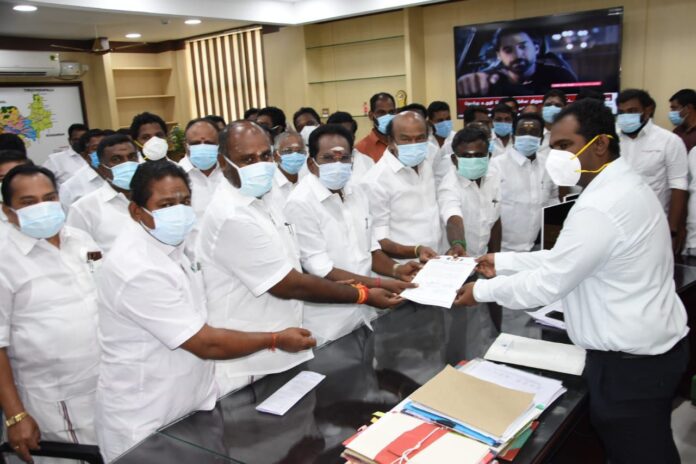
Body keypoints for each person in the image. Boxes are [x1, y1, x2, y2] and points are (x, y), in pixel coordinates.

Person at [456, 98, 689, 464]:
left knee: (641, 452)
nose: (556, 156)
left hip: (631, 365)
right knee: (645, 446)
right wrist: (501, 262)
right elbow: (569, 258)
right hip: (646, 353)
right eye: (554, 147)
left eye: (565, 145)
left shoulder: (602, 204)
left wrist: (480, 291)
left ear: (600, 144)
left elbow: (549, 283)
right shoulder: (619, 187)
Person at [96, 160, 315, 462]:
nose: (179, 211)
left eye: (184, 201)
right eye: (166, 204)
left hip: (189, 405)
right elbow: (205, 343)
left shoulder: (173, 246)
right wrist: (276, 339)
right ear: (136, 211)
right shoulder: (136, 268)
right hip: (146, 417)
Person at [196, 121, 402, 396]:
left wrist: (356, 285)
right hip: (250, 360)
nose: (260, 165)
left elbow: (294, 262)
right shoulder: (231, 215)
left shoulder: (265, 197)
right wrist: (363, 294)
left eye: (265, 156)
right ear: (223, 162)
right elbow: (288, 284)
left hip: (286, 342)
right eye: (247, 159)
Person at [0, 164, 100, 464]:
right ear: (8, 212)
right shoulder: (5, 257)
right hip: (56, 399)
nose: (42, 207)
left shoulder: (80, 240)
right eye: (28, 202)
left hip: (107, 387)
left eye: (49, 198)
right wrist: (15, 416)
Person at [284, 124, 419, 341]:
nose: (337, 165)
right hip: (329, 322)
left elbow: (370, 250)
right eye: (328, 158)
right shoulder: (300, 203)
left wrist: (396, 269)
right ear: (311, 163)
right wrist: (379, 284)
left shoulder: (357, 192)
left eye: (344, 158)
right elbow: (322, 270)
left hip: (365, 313)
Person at [360, 111, 451, 261]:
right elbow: (379, 239)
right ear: (391, 141)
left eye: (420, 138)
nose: (414, 145)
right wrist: (416, 251)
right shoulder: (376, 180)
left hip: (436, 259)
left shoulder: (427, 163)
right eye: (406, 139)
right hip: (405, 266)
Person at [617, 89, 688, 253]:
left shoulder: (669, 141)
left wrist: (673, 230)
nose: (626, 117)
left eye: (632, 111)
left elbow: (678, 186)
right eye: (622, 112)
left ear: (647, 110)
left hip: (654, 227)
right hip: (619, 226)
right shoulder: (612, 141)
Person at [489, 112, 558, 252]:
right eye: (522, 132)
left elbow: (553, 200)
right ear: (513, 137)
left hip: (535, 249)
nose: (527, 136)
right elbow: (487, 211)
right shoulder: (496, 166)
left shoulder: (548, 165)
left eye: (533, 133)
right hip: (501, 250)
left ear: (541, 139)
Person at [66, 134, 138, 253]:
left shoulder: (154, 198)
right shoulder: (84, 209)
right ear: (102, 168)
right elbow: (76, 254)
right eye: (116, 159)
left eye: (132, 157)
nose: (127, 164)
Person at [457, 28, 577, 97]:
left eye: (522, 47)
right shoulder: (490, 81)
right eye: (508, 50)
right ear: (499, 55)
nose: (517, 55)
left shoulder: (561, 76)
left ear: (536, 49)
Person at [437, 127, 501, 257]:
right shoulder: (449, 185)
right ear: (454, 159)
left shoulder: (493, 177)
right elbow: (452, 218)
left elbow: (495, 220)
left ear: (488, 157)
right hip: (457, 259)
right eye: (466, 156)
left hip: (483, 258)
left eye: (479, 155)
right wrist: (458, 244)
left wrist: (494, 257)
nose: (473, 160)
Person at [178, 118, 224, 253]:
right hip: (194, 259)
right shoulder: (174, 178)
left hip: (234, 256)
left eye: (209, 143)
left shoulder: (231, 174)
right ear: (186, 146)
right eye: (196, 143)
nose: (202, 147)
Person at [58, 129, 108, 208]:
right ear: (84, 156)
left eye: (105, 147)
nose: (103, 152)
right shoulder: (70, 187)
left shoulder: (120, 176)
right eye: (96, 149)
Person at [326, 111, 375, 182]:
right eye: (336, 134)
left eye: (346, 134)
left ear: (353, 137)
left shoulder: (367, 163)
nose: (340, 139)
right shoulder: (318, 162)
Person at [267, 131, 306, 213]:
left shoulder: (307, 181)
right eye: (288, 151)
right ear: (275, 156)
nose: (295, 156)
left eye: (300, 151)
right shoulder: (267, 186)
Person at [355, 92, 397, 162]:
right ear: (371, 115)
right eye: (381, 112)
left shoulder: (404, 142)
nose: (387, 116)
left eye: (391, 112)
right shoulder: (360, 149)